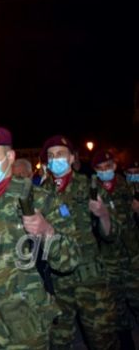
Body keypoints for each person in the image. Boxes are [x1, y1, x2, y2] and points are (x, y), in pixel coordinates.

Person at [0, 127, 79, 349]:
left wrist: (47, 232)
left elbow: (70, 260)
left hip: (23, 317)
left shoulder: (40, 199)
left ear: (10, 157)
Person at [41, 135, 119, 350]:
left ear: (72, 158)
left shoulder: (89, 186)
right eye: (51, 155)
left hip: (90, 279)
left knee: (102, 339)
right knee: (58, 341)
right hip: (56, 281)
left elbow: (112, 235)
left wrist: (103, 214)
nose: (55, 159)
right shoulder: (39, 193)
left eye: (60, 154)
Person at [92, 150, 139, 349]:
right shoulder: (92, 192)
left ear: (115, 166)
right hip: (109, 260)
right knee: (117, 309)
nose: (105, 171)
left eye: (108, 166)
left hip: (133, 256)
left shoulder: (127, 186)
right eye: (100, 169)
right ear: (95, 170)